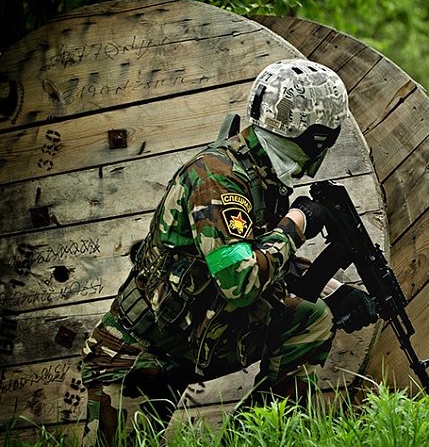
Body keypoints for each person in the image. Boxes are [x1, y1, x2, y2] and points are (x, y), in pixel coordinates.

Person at [80, 59, 378, 445]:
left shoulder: (261, 176)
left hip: (196, 343)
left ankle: (255, 437)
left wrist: (332, 289)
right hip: (139, 358)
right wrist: (297, 224)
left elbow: (257, 256)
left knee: (310, 319)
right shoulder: (218, 177)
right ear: (317, 137)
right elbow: (239, 280)